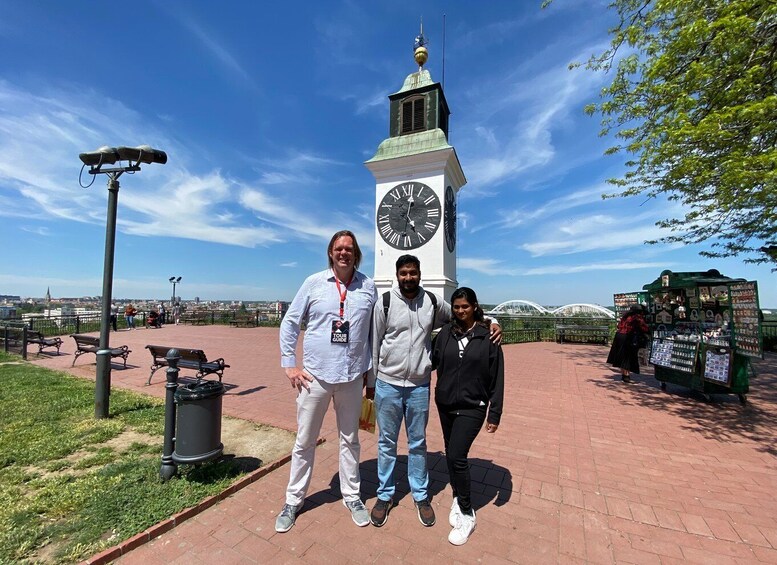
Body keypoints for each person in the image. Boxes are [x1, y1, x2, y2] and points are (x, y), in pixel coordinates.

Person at [368, 255, 501, 528]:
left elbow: (463, 313)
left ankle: (420, 494)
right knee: (386, 443)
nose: (408, 278)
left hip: (418, 385)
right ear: (397, 275)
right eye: (403, 273)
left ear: (420, 274)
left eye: (413, 273)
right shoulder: (385, 302)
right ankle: (385, 495)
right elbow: (374, 343)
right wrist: (372, 381)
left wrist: (494, 320)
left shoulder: (431, 302)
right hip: (388, 383)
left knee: (418, 444)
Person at [276, 230, 377, 533]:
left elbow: (373, 334)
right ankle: (293, 500)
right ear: (331, 253)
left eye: (349, 249)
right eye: (338, 249)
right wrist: (289, 365)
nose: (344, 253)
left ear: (356, 253)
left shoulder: (368, 287)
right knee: (305, 440)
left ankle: (353, 496)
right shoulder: (313, 283)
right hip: (315, 377)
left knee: (350, 440)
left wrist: (370, 379)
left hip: (351, 378)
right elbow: (291, 321)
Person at [431, 286, 504, 545]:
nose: (460, 311)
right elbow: (431, 360)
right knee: (451, 453)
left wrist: (494, 413)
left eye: (465, 306)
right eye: (456, 307)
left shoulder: (489, 337)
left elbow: (497, 378)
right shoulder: (445, 335)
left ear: (474, 306)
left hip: (473, 406)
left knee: (456, 456)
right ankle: (456, 494)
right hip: (446, 403)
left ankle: (466, 510)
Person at [606, 304, 649, 383]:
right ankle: (626, 376)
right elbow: (644, 328)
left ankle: (624, 374)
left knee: (622, 356)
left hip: (619, 336)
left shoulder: (625, 316)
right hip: (627, 337)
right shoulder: (637, 317)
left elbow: (619, 326)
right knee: (627, 357)